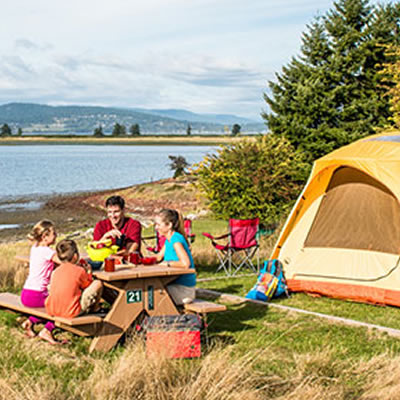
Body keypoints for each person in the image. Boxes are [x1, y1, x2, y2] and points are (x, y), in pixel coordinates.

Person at [20, 220, 60, 344]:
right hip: (36, 295)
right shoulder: (48, 252)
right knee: (60, 307)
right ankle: (47, 330)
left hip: (26, 293)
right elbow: (65, 262)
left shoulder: (35, 248)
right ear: (45, 236)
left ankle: (30, 321)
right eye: (54, 233)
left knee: (45, 307)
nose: (56, 235)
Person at [45, 239, 103, 319]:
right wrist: (88, 272)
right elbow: (88, 285)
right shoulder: (79, 270)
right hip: (71, 312)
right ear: (75, 256)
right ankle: (95, 308)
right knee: (97, 283)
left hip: (52, 310)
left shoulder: (55, 271)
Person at [154, 209, 196, 305]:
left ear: (169, 225)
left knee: (151, 294)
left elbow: (185, 264)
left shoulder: (176, 240)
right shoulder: (169, 240)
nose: (156, 228)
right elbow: (159, 257)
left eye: (158, 225)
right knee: (149, 290)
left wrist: (167, 264)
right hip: (174, 285)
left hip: (183, 290)